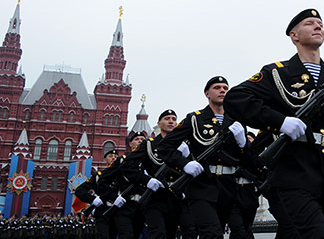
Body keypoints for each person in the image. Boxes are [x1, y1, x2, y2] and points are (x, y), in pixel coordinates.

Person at [224, 8, 324, 239]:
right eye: (310, 23)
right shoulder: (278, 73)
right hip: (295, 171)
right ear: (294, 35)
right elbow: (236, 99)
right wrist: (280, 121)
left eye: (321, 23)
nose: (318, 26)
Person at [156, 76, 249, 239]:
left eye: (225, 88)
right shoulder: (194, 119)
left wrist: (243, 144)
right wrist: (184, 164)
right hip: (203, 185)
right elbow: (164, 147)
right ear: (207, 93)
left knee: (241, 234)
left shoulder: (236, 121)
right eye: (217, 87)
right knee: (212, 234)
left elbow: (249, 158)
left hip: (229, 186)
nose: (222, 90)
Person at [119, 109, 183, 239]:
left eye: (173, 119)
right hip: (155, 198)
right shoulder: (148, 145)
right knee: (158, 233)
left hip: (176, 197)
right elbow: (127, 165)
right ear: (159, 124)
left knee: (171, 234)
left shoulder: (183, 145)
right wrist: (146, 180)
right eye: (167, 119)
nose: (171, 121)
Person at [97, 132, 148, 239]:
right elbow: (102, 181)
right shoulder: (122, 161)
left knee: (137, 234)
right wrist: (113, 198)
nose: (140, 141)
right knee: (126, 235)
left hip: (143, 206)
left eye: (142, 139)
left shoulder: (150, 161)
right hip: (125, 205)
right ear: (130, 144)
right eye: (137, 139)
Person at [74, 149, 119, 239]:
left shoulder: (123, 175)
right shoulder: (98, 176)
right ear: (105, 160)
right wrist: (93, 199)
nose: (113, 158)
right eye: (110, 156)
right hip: (103, 213)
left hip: (118, 212)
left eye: (116, 157)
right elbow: (79, 190)